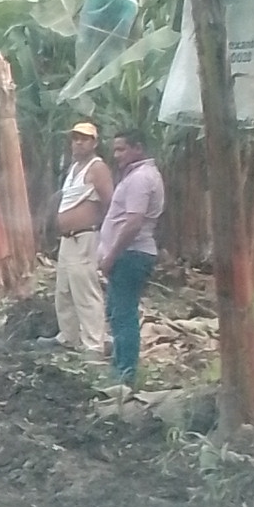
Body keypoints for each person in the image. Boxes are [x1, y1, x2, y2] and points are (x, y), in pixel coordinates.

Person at [97, 125, 164, 388]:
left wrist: (111, 255)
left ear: (138, 148)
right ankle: (120, 367)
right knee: (117, 311)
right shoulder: (140, 176)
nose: (117, 155)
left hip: (131, 254)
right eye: (115, 150)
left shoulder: (140, 179)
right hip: (131, 254)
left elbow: (133, 222)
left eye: (122, 149)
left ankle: (125, 373)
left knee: (123, 313)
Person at [53, 115, 112, 360]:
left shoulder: (97, 168)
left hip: (84, 238)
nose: (78, 143)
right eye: (75, 138)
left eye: (84, 139)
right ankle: (68, 336)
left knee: (86, 292)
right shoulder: (74, 168)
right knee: (64, 291)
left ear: (94, 143)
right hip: (68, 239)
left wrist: (104, 233)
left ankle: (94, 345)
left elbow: (109, 202)